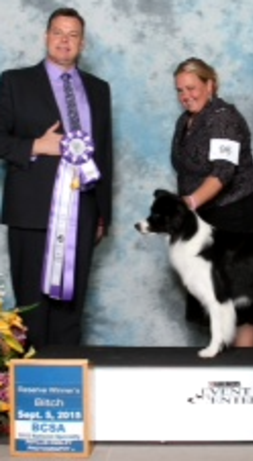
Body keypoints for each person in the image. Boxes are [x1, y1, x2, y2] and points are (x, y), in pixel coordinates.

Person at [0, 8, 113, 350]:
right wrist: (37, 144)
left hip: (84, 211)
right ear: (46, 37)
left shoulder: (99, 89)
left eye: (73, 34)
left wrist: (103, 212)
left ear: (82, 42)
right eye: (59, 32)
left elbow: (105, 151)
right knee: (33, 308)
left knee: (70, 308)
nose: (65, 40)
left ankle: (67, 390)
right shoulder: (14, 81)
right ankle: (31, 391)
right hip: (32, 213)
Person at [171, 57, 253, 347]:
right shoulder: (186, 120)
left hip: (238, 211)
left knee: (243, 295)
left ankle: (245, 370)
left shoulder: (223, 117)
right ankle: (223, 364)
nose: (185, 95)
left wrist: (189, 202)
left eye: (191, 88)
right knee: (213, 291)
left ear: (210, 85)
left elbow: (223, 173)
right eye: (179, 90)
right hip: (207, 215)